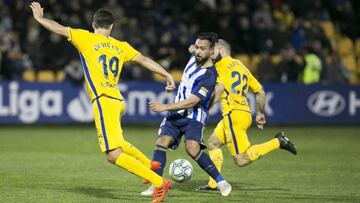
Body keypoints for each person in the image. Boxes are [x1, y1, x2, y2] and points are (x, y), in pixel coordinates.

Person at [29, 2, 175, 202]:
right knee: (119, 142)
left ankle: (158, 182)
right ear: (112, 27)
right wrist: (166, 73)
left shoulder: (85, 38)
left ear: (93, 24)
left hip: (104, 101)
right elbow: (144, 60)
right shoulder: (120, 46)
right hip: (117, 100)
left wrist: (39, 18)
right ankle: (148, 165)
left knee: (112, 155)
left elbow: (59, 29)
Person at [197, 39, 297, 191]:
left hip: (233, 115)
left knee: (241, 160)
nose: (211, 53)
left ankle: (278, 142)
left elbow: (219, 91)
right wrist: (260, 113)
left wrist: (206, 107)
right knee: (213, 143)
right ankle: (213, 184)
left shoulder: (221, 65)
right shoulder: (241, 66)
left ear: (222, 51)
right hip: (243, 113)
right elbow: (260, 91)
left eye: (213, 50)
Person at [141, 33, 232, 197]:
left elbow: (192, 102)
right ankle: (156, 184)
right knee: (161, 142)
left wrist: (164, 107)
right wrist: (172, 86)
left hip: (194, 116)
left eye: (202, 49)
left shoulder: (209, 76)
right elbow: (193, 49)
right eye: (196, 47)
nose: (197, 51)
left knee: (192, 148)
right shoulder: (194, 57)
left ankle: (221, 182)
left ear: (211, 52)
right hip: (176, 113)